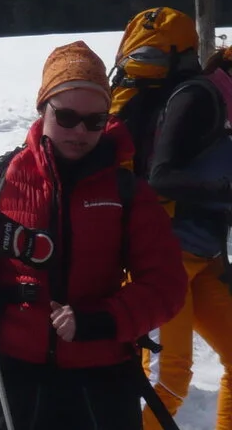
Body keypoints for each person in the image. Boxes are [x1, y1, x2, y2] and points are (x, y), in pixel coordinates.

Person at [0, 41, 187, 430]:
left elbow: (167, 285)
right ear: (42, 109)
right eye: (67, 116)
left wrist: (101, 319)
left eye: (95, 121)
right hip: (13, 379)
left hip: (104, 380)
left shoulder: (126, 191)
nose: (80, 131)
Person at [138, 46, 232, 430]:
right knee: (169, 379)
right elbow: (160, 175)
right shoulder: (198, 97)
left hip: (206, 258)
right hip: (166, 260)